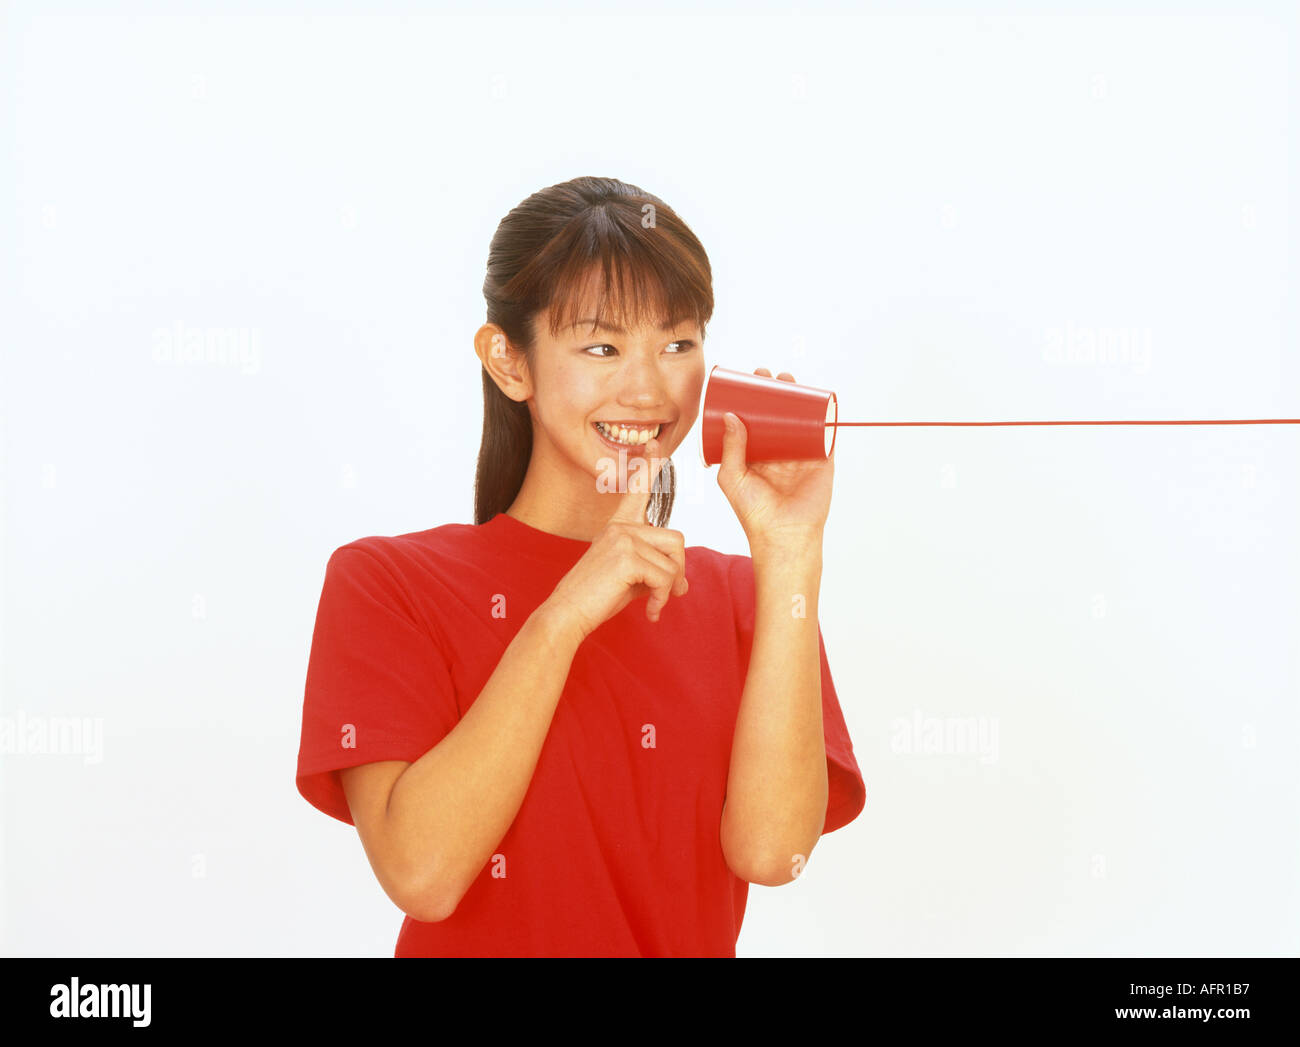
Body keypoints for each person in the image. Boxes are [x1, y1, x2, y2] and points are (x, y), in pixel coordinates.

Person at [295, 176, 866, 957]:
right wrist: (566, 613)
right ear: (509, 361)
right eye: (602, 346)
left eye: (678, 342)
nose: (648, 386)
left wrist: (792, 552)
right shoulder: (389, 584)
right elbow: (423, 873)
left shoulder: (741, 595)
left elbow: (773, 854)